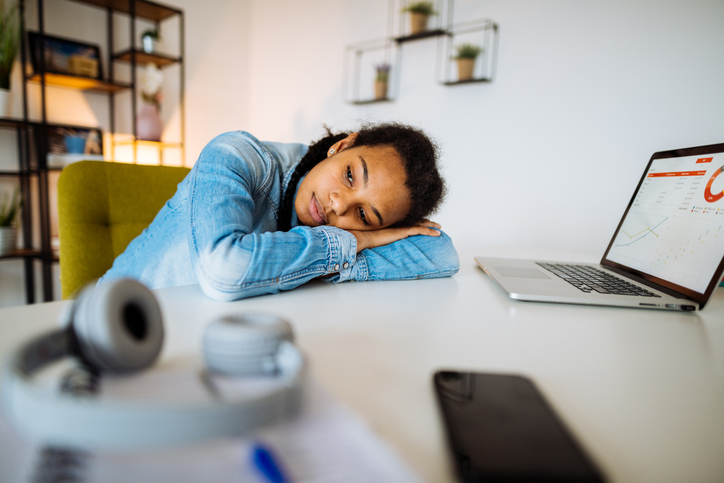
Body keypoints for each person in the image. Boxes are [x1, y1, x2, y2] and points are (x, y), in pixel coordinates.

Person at [99, 122, 459, 301]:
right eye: (350, 175)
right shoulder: (237, 155)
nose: (339, 205)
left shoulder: (337, 204)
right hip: (109, 328)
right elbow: (224, 270)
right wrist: (352, 239)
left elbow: (442, 253)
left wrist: (362, 239)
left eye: (365, 215)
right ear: (342, 146)